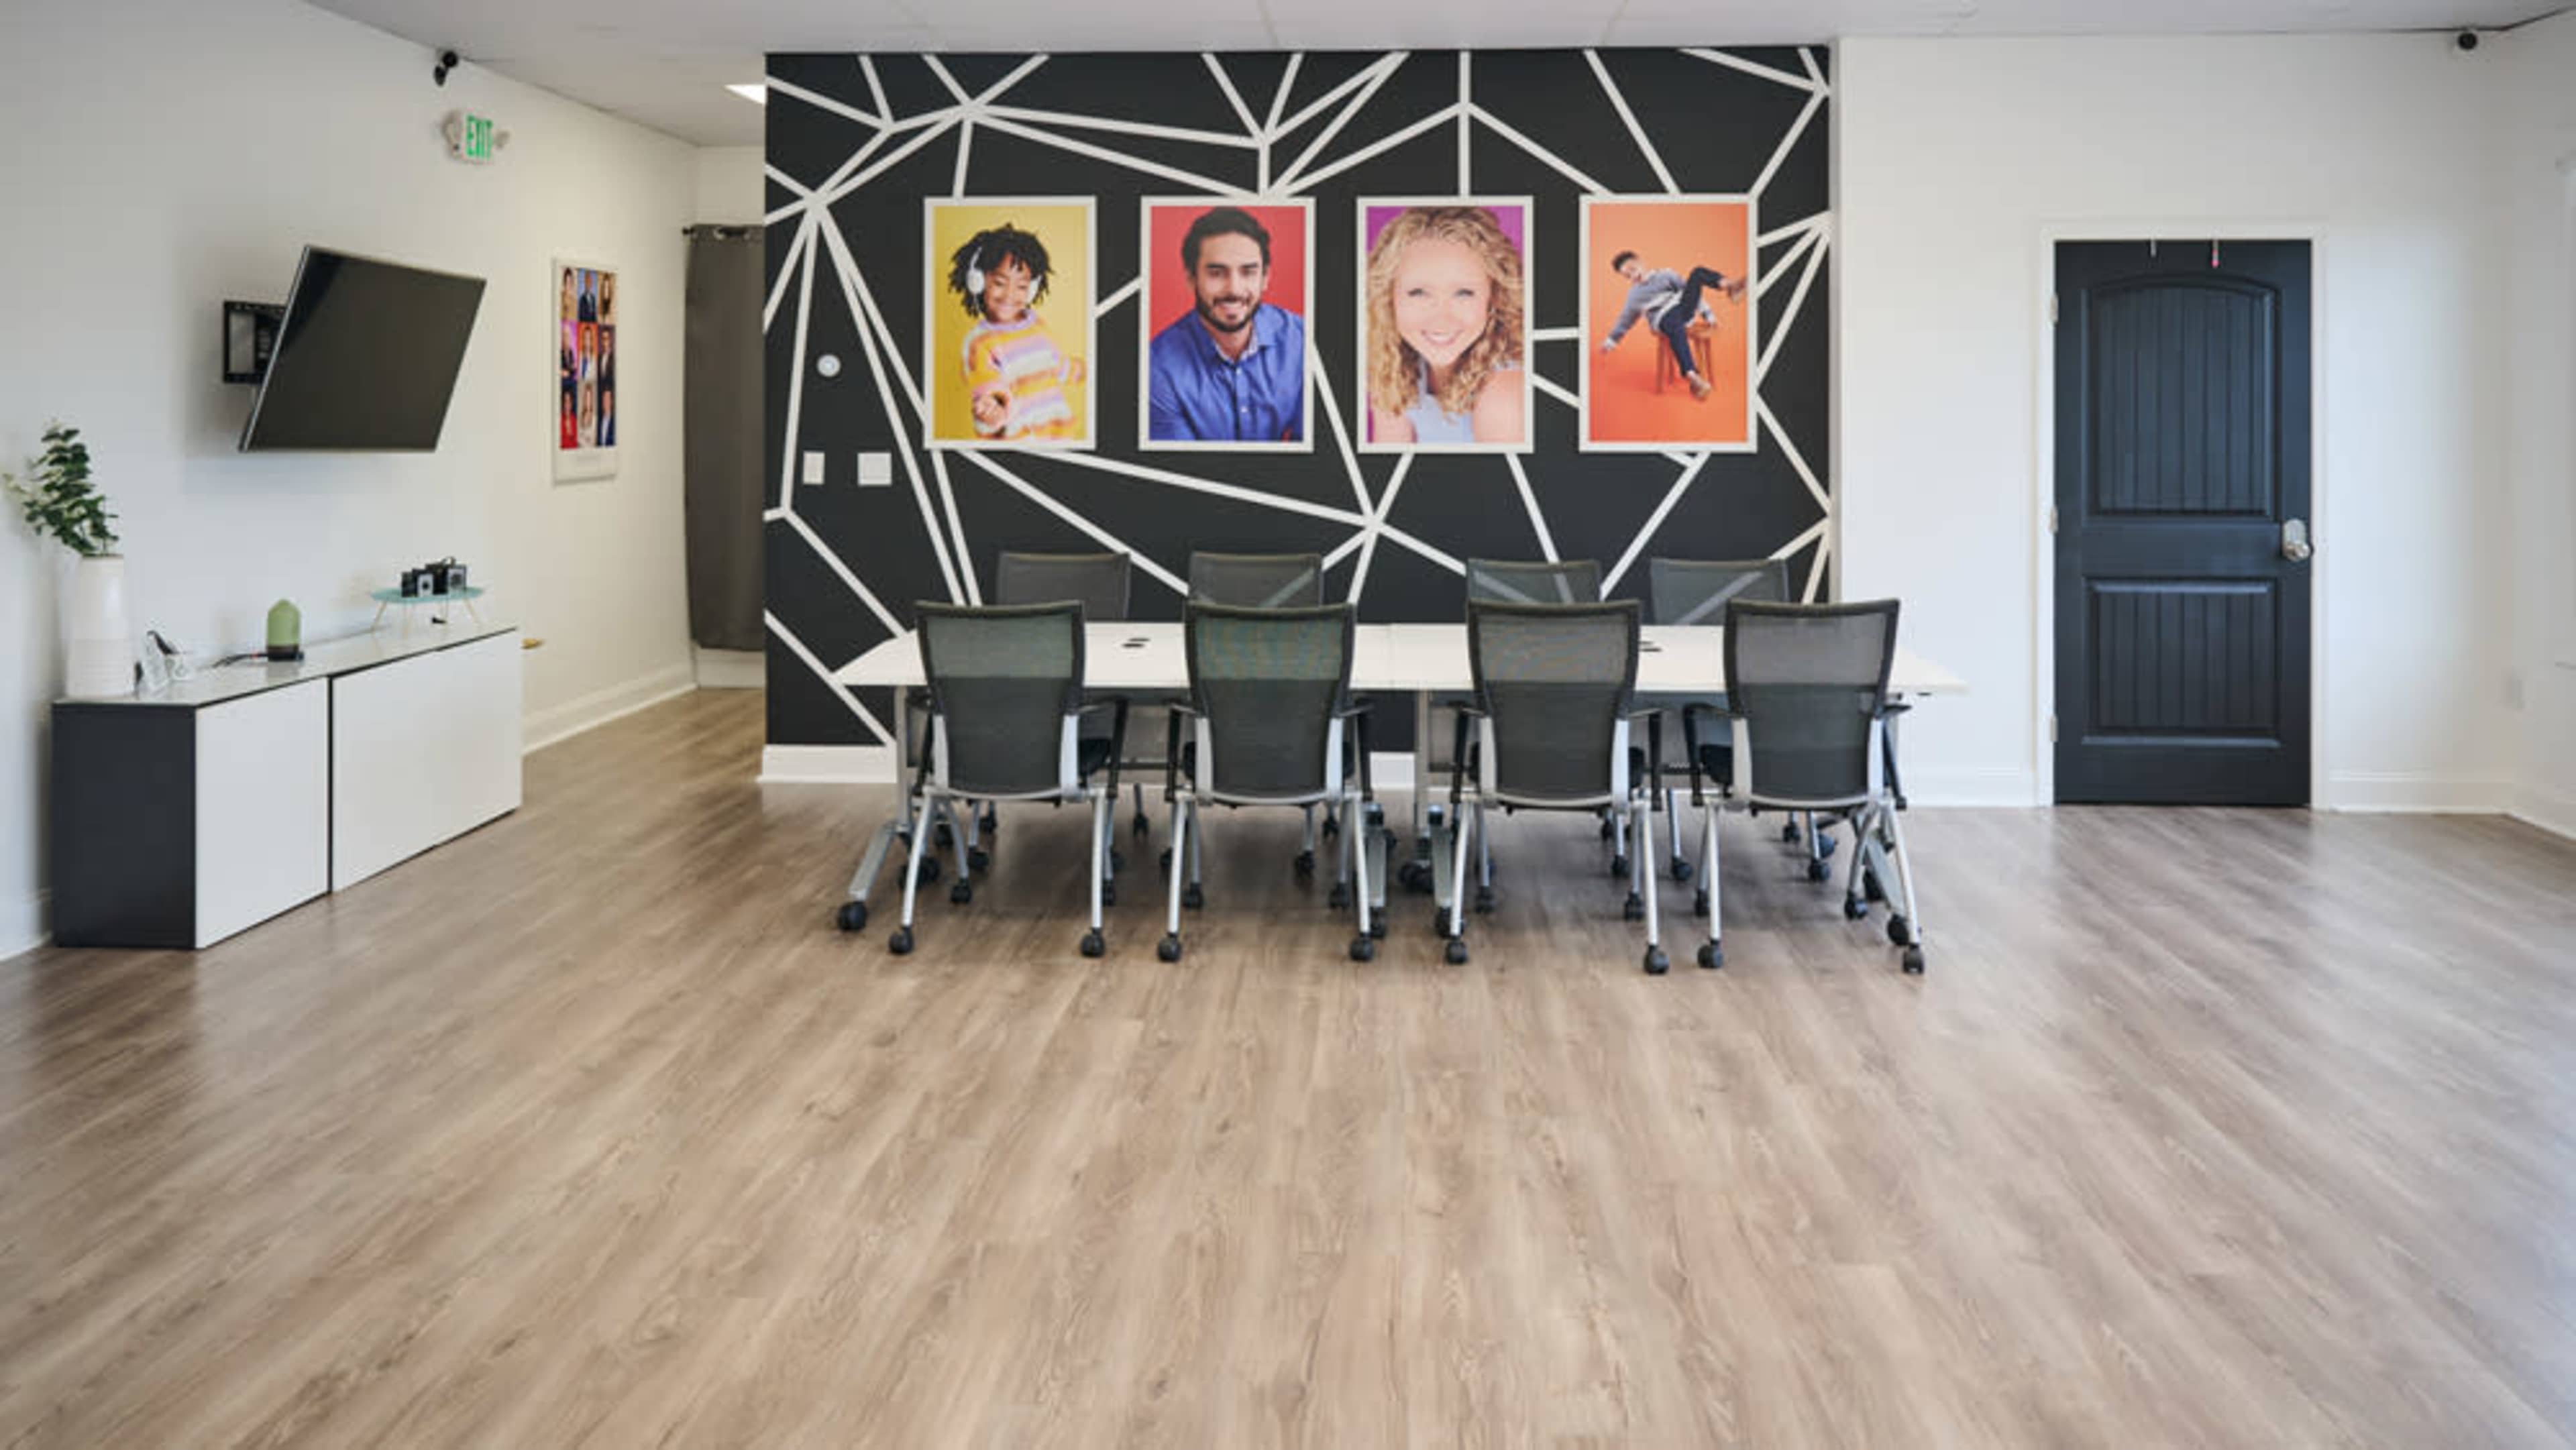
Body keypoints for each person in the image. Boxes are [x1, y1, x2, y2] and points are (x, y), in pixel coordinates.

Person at [1364, 205, 1525, 446]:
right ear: (1389, 298)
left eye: (1464, 293)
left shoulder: (1505, 394)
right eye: (1418, 293)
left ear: (1494, 297)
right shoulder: (1394, 365)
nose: (1441, 319)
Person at [1146, 207, 1305, 443]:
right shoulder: (1156, 368)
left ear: (1265, 278)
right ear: (1191, 279)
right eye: (1217, 273)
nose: (1234, 289)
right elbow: (1181, 471)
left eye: (1248, 272)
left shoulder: (1302, 340)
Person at [945, 223, 1084, 442]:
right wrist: (993, 409)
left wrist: (1080, 370)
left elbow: (1052, 364)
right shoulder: (979, 342)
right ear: (978, 282)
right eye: (1000, 283)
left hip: (1058, 432)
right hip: (1018, 438)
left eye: (1021, 286)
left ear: (1033, 289)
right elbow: (989, 387)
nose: (1010, 295)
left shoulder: (1036, 324)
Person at [1598, 250, 1747, 402]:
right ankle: (1693, 377)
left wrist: (1708, 314)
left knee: (1698, 272)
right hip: (1663, 318)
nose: (1633, 276)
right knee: (1674, 323)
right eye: (1627, 276)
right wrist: (1610, 342)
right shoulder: (1634, 296)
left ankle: (1731, 286)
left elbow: (1690, 291)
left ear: (1640, 262)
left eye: (1633, 270)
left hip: (1683, 308)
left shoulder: (1666, 275)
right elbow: (1625, 321)